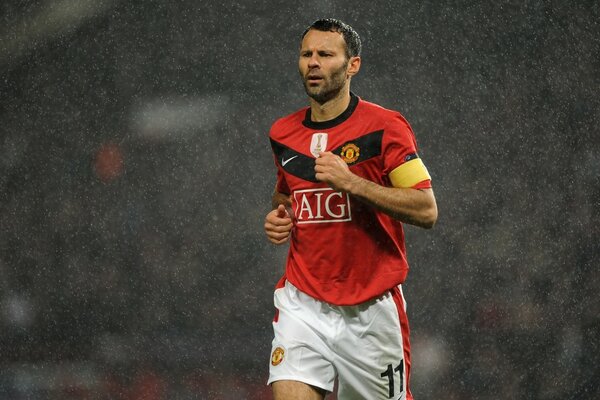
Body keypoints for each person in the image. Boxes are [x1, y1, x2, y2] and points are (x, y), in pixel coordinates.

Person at [264, 18, 438, 400]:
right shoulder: (283, 133)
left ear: (352, 65)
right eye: (306, 54)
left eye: (325, 54)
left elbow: (426, 208)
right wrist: (280, 216)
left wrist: (351, 182)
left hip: (370, 311)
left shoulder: (385, 127)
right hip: (303, 302)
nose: (313, 62)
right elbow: (286, 195)